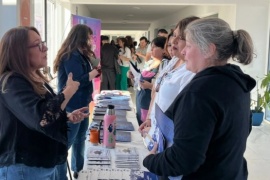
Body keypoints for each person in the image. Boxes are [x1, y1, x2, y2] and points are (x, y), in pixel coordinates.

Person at [143, 17, 256, 180]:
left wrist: (149, 160)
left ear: (209, 50)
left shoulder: (199, 92)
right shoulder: (237, 81)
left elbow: (183, 159)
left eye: (188, 45)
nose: (183, 52)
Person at [0, 26, 88, 180]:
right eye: (38, 44)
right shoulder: (11, 82)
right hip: (24, 169)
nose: (45, 48)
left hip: (42, 164)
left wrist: (66, 116)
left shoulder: (33, 77)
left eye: (43, 43)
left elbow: (36, 113)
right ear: (19, 51)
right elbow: (40, 118)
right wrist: (68, 91)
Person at [138, 16, 199, 180]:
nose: (174, 41)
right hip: (160, 134)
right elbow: (157, 92)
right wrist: (150, 118)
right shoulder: (173, 62)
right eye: (174, 36)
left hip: (173, 140)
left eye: (180, 37)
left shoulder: (192, 70)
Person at [53, 24, 100, 180]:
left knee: (81, 138)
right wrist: (92, 74)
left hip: (83, 102)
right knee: (67, 143)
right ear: (81, 37)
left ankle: (78, 170)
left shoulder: (81, 54)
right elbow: (76, 81)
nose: (91, 40)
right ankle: (60, 176)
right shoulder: (70, 56)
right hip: (72, 104)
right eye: (89, 37)